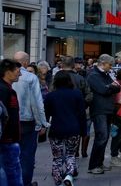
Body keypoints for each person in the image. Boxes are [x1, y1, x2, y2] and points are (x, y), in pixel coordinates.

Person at [12, 51, 48, 186]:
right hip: (27, 121)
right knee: (27, 156)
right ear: (26, 62)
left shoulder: (5, 76)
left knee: (10, 154)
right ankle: (25, 183)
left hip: (10, 121)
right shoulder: (30, 77)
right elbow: (38, 103)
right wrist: (42, 123)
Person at [45, 72, 86, 186]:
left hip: (56, 129)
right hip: (73, 128)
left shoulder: (50, 96)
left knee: (57, 156)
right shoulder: (77, 94)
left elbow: (46, 114)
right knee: (70, 154)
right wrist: (83, 131)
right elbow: (82, 114)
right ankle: (69, 176)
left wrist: (43, 127)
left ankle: (57, 179)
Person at [86, 54, 121, 174]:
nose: (111, 67)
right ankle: (93, 165)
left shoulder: (104, 75)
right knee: (102, 137)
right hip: (99, 109)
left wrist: (110, 87)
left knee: (104, 137)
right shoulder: (93, 75)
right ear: (103, 63)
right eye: (110, 65)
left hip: (106, 109)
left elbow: (117, 87)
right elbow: (103, 90)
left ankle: (99, 163)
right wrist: (110, 87)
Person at [0, 59, 22, 186]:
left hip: (9, 139)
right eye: (17, 71)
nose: (19, 74)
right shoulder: (3, 90)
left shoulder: (7, 89)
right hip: (6, 140)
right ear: (7, 72)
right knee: (10, 173)